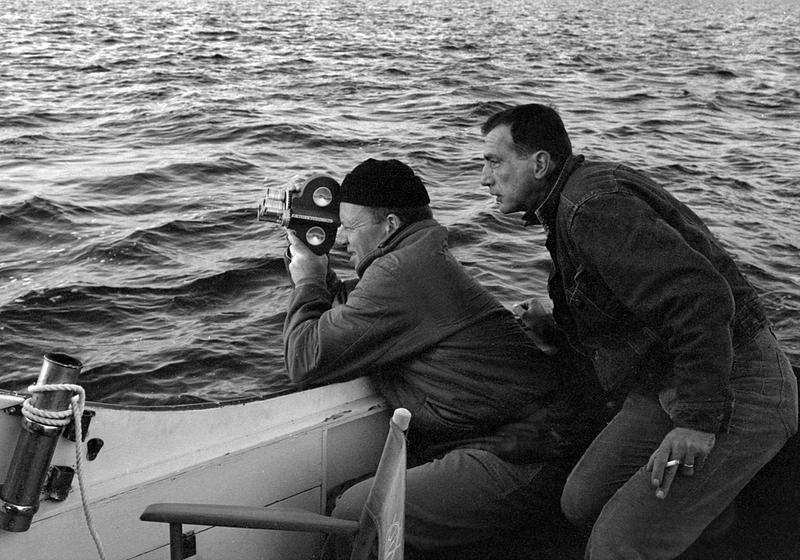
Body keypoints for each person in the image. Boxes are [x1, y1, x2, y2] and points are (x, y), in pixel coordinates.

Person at [479, 103, 798, 559]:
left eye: (494, 162)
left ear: (540, 163)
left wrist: (697, 421)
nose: (484, 179)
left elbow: (701, 296)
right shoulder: (571, 202)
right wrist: (553, 328)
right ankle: (704, 520)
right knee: (581, 500)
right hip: (666, 379)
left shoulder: (590, 207)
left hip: (736, 384)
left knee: (616, 544)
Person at [282, 158, 602, 559]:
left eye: (349, 227)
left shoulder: (403, 269)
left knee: (357, 509)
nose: (343, 240)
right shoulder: (417, 259)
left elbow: (305, 359)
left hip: (522, 453)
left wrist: (309, 279)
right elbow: (358, 316)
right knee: (347, 495)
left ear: (391, 226)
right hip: (502, 439)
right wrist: (312, 267)